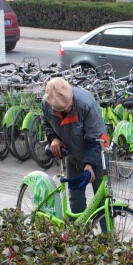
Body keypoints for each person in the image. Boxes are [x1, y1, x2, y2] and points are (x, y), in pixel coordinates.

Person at [42, 77, 108, 214]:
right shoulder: (47, 103)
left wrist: (89, 164)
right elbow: (45, 122)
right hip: (72, 156)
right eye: (64, 108)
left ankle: (105, 228)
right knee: (76, 200)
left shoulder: (85, 103)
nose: (69, 107)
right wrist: (53, 138)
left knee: (102, 201)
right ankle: (80, 228)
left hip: (96, 154)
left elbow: (97, 138)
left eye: (70, 104)